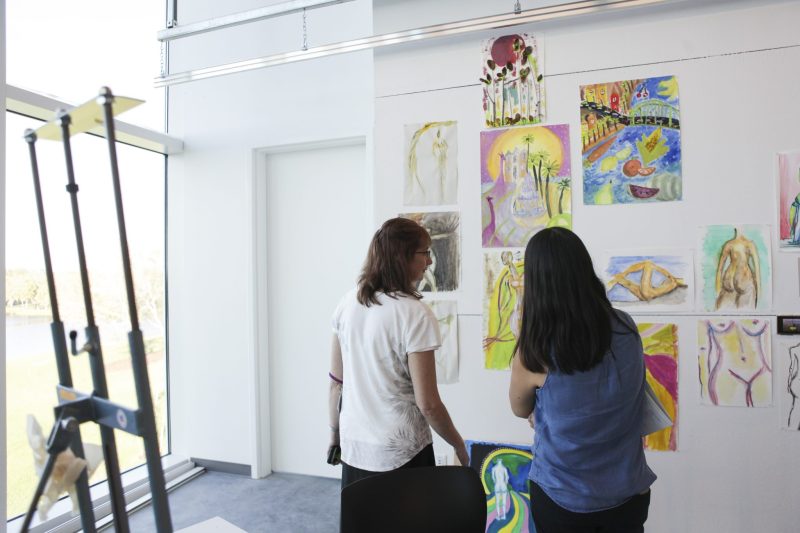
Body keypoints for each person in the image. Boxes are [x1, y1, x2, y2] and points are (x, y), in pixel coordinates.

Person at [508, 227, 656, 533]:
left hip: (564, 498)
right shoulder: (625, 327)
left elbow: (520, 408)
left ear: (538, 283)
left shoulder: (534, 350)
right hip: (628, 492)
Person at [328, 217, 469, 489]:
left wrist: (334, 436)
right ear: (402, 257)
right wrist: (458, 443)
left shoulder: (347, 303)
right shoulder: (414, 314)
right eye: (425, 253)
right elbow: (428, 403)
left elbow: (336, 384)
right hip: (403, 455)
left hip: (355, 448)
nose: (429, 261)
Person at [714, 227, 760, 310]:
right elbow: (757, 271)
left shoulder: (729, 244)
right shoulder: (749, 244)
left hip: (728, 280)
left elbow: (719, 270)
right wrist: (758, 294)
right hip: (744, 280)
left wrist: (717, 292)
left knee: (722, 313)